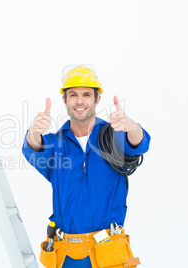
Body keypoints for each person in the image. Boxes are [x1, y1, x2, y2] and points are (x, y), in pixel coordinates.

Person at [22, 65, 151, 268]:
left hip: (109, 250)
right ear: (64, 100)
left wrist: (132, 126)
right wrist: (34, 131)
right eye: (73, 95)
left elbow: (139, 144)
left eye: (86, 95)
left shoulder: (113, 138)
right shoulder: (56, 145)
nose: (79, 101)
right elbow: (33, 148)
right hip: (67, 255)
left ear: (96, 99)